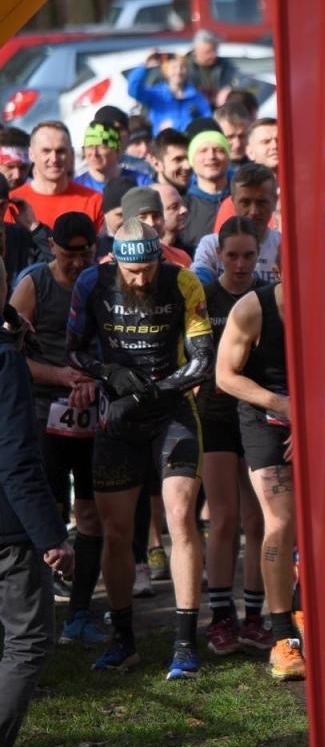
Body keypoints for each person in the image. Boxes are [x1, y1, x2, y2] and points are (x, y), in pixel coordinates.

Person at [68, 219, 214, 678]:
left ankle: (185, 645)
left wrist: (153, 391)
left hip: (171, 414)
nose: (141, 279)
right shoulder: (92, 282)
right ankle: (123, 640)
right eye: (132, 272)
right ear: (115, 260)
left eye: (149, 268)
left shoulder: (182, 281)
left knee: (180, 516)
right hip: (117, 419)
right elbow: (73, 349)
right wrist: (109, 373)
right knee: (116, 531)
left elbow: (202, 361)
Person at [10, 214, 102, 647]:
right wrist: (61, 376)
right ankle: (40, 613)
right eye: (70, 254)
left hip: (92, 412)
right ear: (52, 248)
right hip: (42, 413)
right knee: (47, 514)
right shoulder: (34, 285)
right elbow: (11, 356)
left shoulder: (101, 283)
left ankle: (80, 612)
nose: (78, 262)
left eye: (86, 253)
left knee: (91, 514)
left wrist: (93, 379)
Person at [0, 297, 74, 747]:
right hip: (11, 530)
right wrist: (52, 536)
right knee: (27, 641)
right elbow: (15, 458)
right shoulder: (5, 360)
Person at [215, 279, 305, 681]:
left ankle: (307, 609)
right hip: (265, 415)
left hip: (322, 412)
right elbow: (224, 376)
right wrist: (284, 406)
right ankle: (283, 638)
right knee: (281, 521)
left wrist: (313, 416)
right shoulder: (252, 309)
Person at [197, 219, 271, 657]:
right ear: (218, 254)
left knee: (259, 520)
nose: (241, 264)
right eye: (232, 256)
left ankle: (256, 617)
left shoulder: (266, 295)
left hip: (257, 414)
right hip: (216, 416)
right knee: (223, 518)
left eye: (249, 256)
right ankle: (221, 617)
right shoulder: (205, 296)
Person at [192, 164, 278, 282]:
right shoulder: (211, 246)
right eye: (245, 202)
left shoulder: (284, 247)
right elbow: (197, 286)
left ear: (275, 201)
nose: (254, 211)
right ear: (233, 202)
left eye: (261, 202)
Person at [13, 122, 104, 231]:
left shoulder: (94, 202)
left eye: (60, 151)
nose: (54, 159)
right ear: (31, 154)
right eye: (46, 151)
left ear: (72, 154)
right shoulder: (12, 204)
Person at [125, 52, 212, 134]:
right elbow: (133, 89)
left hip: (189, 140)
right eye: (174, 68)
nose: (178, 72)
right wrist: (144, 65)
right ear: (166, 71)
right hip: (164, 141)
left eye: (182, 67)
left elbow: (207, 121)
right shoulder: (156, 94)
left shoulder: (196, 96)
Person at [182, 129, 232, 247]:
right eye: (203, 151)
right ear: (191, 160)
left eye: (219, 150)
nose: (211, 156)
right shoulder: (183, 206)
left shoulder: (242, 199)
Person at [122, 186, 192, 267]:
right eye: (142, 217)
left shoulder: (181, 259)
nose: (151, 223)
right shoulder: (115, 263)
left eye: (156, 216)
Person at [151, 128, 192, 196]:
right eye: (178, 159)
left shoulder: (198, 198)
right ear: (157, 164)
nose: (188, 166)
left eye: (189, 158)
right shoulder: (146, 201)